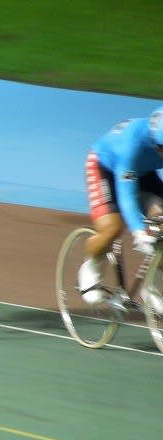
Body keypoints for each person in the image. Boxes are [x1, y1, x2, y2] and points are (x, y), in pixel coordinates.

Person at [78, 106, 163, 310]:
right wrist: (138, 230)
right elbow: (126, 196)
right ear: (154, 142)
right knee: (113, 228)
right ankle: (90, 268)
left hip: (144, 173)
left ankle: (150, 286)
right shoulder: (131, 145)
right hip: (105, 167)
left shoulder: (155, 141)